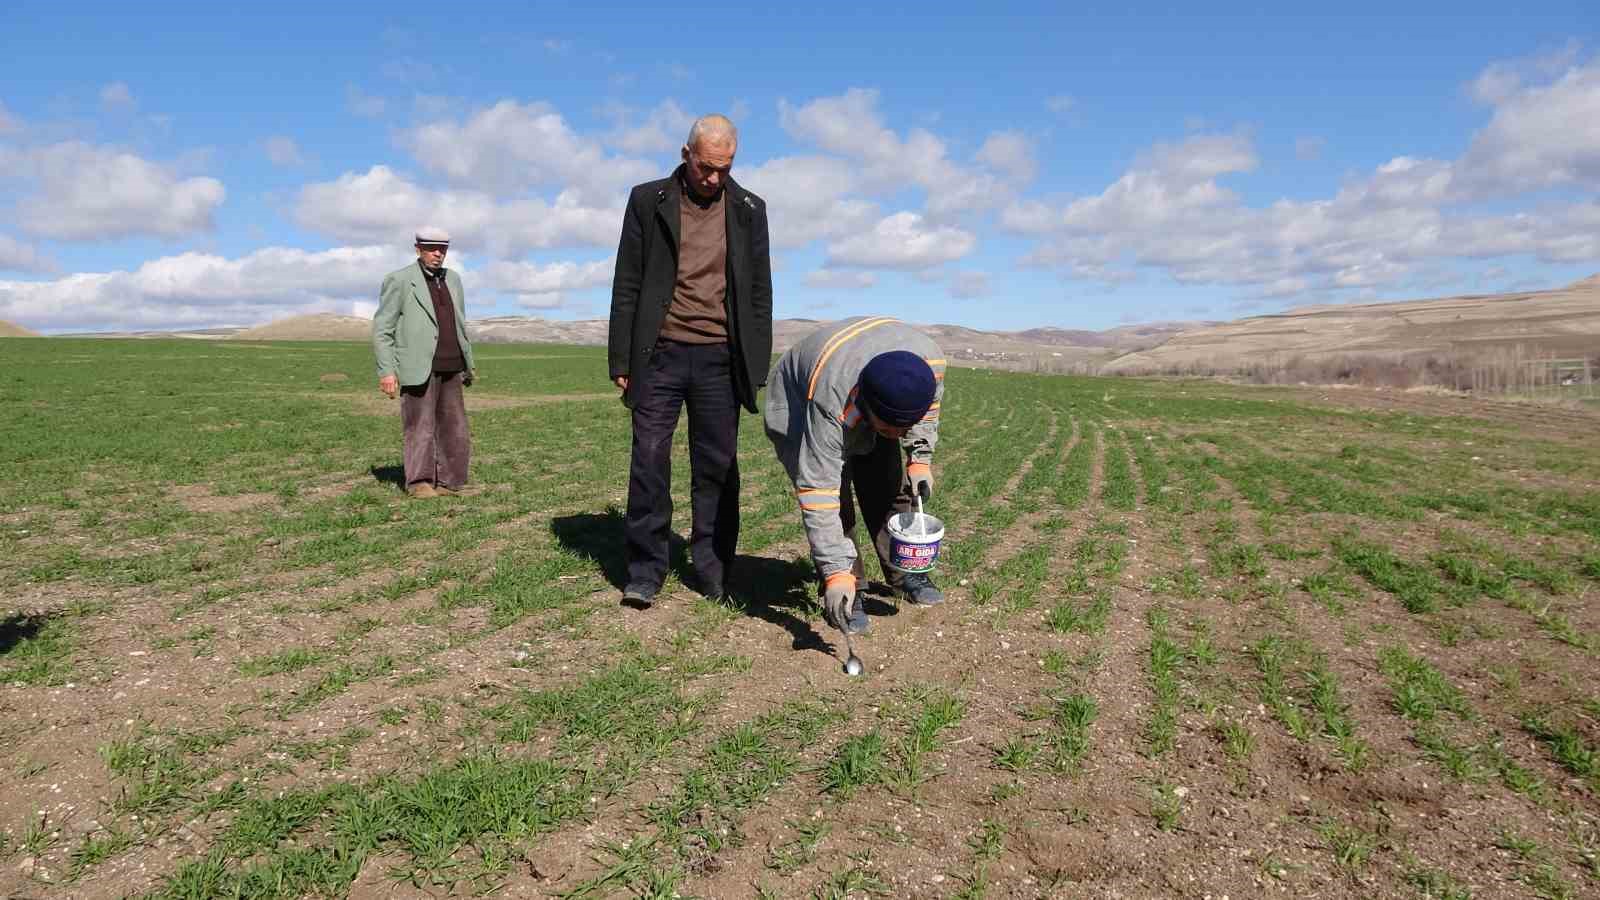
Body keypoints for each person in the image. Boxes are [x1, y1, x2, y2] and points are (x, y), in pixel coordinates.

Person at [607, 114, 773, 607]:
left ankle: (715, 569)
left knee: (718, 467)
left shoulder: (749, 209)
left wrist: (754, 364)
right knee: (650, 460)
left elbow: (759, 292)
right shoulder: (647, 200)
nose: (715, 178)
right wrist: (622, 356)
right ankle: (645, 569)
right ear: (686, 155)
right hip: (659, 355)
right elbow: (627, 283)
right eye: (706, 168)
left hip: (721, 358)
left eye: (725, 168)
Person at [764, 316, 947, 635]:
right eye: (890, 428)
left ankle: (905, 573)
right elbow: (819, 493)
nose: (897, 434)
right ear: (866, 405)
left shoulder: (929, 365)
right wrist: (836, 572)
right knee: (836, 500)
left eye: (902, 428)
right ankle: (848, 585)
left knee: (888, 484)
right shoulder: (830, 399)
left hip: (864, 388)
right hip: (798, 399)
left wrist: (919, 459)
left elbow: (927, 412)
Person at [372, 227, 476, 499]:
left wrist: (468, 360)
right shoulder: (400, 280)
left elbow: (460, 322)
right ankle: (420, 482)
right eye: (431, 248)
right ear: (418, 249)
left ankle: (449, 481)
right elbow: (383, 328)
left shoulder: (453, 279)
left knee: (454, 427)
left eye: (442, 249)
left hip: (452, 364)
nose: (437, 254)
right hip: (417, 366)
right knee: (419, 426)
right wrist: (386, 370)